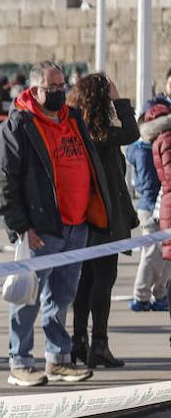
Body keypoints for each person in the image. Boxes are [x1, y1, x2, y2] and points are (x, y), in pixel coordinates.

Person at [0, 61, 114, 388]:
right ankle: (20, 361)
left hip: (76, 225)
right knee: (27, 296)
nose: (60, 92)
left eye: (63, 86)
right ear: (35, 90)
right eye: (52, 87)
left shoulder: (73, 119)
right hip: (40, 228)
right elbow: (4, 181)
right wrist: (20, 226)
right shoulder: (18, 126)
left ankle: (58, 360)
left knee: (61, 296)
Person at [66, 73, 139, 367]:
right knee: (103, 281)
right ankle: (99, 344)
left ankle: (79, 342)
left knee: (85, 282)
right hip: (103, 217)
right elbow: (133, 132)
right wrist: (120, 99)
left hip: (83, 216)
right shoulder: (101, 133)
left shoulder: (76, 129)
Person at [132, 82, 171, 311]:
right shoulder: (149, 147)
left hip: (159, 204)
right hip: (153, 205)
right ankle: (142, 295)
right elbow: (150, 182)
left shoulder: (152, 144)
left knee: (164, 255)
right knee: (151, 254)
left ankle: (160, 293)